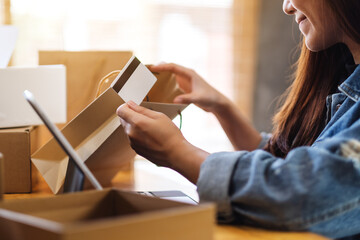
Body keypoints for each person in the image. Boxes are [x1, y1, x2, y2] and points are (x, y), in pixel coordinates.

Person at [116, 0, 360, 239]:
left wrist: (177, 152)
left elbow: (305, 193)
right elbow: (288, 162)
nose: (287, 6)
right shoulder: (345, 87)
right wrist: (222, 108)